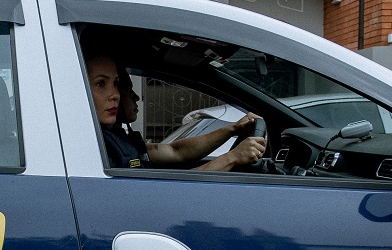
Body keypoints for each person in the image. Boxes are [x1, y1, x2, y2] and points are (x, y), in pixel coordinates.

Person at [85, 51, 266, 171]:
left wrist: (232, 129)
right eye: (101, 84)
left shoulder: (119, 137)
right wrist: (233, 157)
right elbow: (169, 192)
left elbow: (176, 151)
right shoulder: (95, 147)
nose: (115, 95)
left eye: (116, 84)